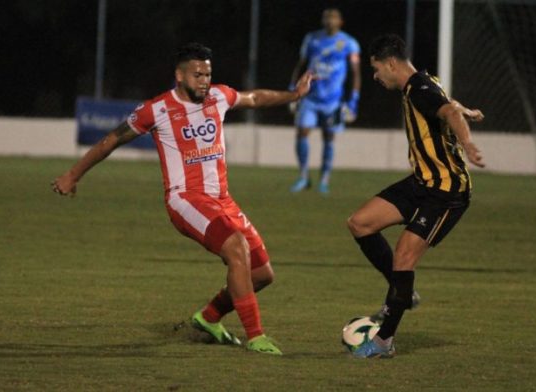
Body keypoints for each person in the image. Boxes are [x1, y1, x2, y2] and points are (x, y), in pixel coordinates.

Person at [51, 43, 313, 356]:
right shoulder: (157, 109)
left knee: (261, 274)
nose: (204, 80)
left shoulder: (218, 96)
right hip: (186, 200)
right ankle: (256, 337)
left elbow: (254, 98)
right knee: (235, 248)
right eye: (197, 74)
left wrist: (294, 95)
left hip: (221, 199)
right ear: (179, 75)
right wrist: (73, 175)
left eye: (208, 74)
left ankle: (208, 318)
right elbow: (111, 140)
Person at [346, 34, 485, 358]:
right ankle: (401, 292)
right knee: (360, 223)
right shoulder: (423, 84)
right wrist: (466, 111)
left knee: (404, 256)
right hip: (421, 182)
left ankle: (383, 342)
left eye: (377, 69)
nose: (376, 76)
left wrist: (466, 141)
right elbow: (447, 105)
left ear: (391, 63)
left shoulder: (419, 88)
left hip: (446, 192)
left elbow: (448, 110)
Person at [289, 8, 361, 194]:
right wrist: (292, 91)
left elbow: (355, 73)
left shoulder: (349, 43)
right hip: (310, 97)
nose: (330, 20)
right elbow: (301, 64)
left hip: (333, 101)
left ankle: (324, 180)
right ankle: (304, 176)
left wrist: (353, 100)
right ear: (322, 21)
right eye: (327, 17)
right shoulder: (312, 39)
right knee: (302, 133)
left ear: (340, 21)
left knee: (329, 137)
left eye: (333, 17)